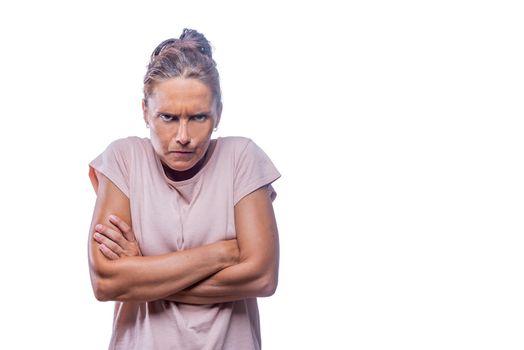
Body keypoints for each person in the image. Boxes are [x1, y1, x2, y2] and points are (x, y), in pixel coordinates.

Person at [87, 28, 281, 350]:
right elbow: (107, 282)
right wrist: (224, 252)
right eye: (168, 117)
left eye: (198, 117)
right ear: (145, 111)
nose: (183, 136)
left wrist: (143, 275)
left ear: (218, 113)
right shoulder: (123, 159)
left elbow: (262, 276)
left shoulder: (241, 158)